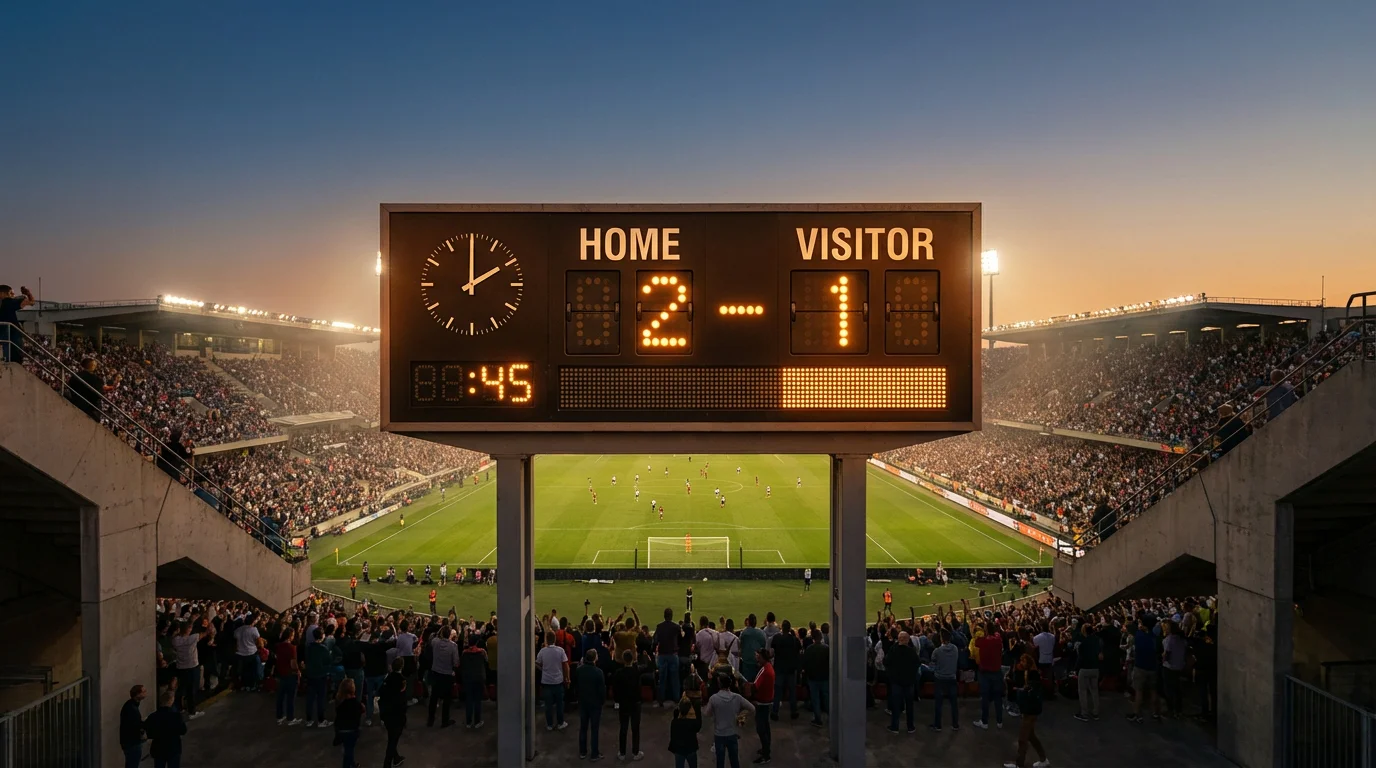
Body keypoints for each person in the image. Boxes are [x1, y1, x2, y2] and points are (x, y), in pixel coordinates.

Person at [704, 673, 755, 768]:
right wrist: (741, 716)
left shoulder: (714, 698)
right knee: (734, 760)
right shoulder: (737, 697)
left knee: (720, 761)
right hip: (732, 733)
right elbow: (752, 708)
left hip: (719, 734)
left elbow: (707, 713)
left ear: (719, 684)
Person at [1004, 669, 1050, 768]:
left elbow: (1021, 702)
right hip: (1033, 715)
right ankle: (1043, 759)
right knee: (1032, 737)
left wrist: (1018, 692)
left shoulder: (1029, 689)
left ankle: (1019, 764)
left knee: (1022, 740)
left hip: (1028, 715)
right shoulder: (1036, 687)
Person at [574, 649, 607, 760]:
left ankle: (582, 752)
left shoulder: (579, 670)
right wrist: (602, 701)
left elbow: (576, 686)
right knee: (594, 729)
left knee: (583, 727)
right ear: (594, 658)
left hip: (583, 702)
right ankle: (594, 753)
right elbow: (602, 690)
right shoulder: (598, 672)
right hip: (595, 704)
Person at [612, 650, 644, 760]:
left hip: (623, 703)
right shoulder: (636, 672)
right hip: (635, 703)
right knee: (635, 728)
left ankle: (622, 753)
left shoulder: (618, 673)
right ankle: (635, 752)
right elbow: (639, 688)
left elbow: (615, 690)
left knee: (623, 728)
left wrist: (617, 701)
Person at [142, 689, 186, 768]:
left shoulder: (153, 716)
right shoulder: (176, 716)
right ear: (171, 701)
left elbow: (148, 732)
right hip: (173, 748)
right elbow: (183, 730)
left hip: (158, 749)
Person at [973, 621, 1005, 730]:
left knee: (985, 698)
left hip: (985, 673)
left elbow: (975, 640)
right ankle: (999, 721)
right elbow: (996, 634)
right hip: (996, 672)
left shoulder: (982, 641)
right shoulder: (998, 639)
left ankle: (984, 722)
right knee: (997, 698)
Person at [535, 631, 570, 731]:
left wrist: (543, 668)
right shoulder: (560, 651)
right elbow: (565, 665)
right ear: (555, 639)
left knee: (548, 705)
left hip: (546, 681)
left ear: (546, 639)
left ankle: (549, 724)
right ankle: (560, 722)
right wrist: (567, 678)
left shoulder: (542, 651)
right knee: (559, 703)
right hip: (558, 681)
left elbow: (537, 663)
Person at [1129, 616, 1161, 723]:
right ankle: (1155, 713)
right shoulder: (1154, 636)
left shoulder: (1139, 634)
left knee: (1139, 691)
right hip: (1152, 666)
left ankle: (1137, 714)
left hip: (1140, 666)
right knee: (1153, 691)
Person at [886, 630, 918, 734]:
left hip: (896, 682)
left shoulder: (893, 650)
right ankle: (910, 726)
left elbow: (886, 662)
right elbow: (917, 664)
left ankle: (895, 727)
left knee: (896, 705)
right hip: (908, 682)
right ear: (908, 640)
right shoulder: (911, 651)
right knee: (909, 706)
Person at [169, 620, 204, 720]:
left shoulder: (175, 640)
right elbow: (204, 634)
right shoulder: (192, 638)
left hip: (181, 667)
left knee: (181, 688)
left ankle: (179, 708)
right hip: (192, 667)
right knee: (192, 689)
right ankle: (192, 711)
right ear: (188, 629)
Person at [378, 658, 409, 768]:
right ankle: (387, 764)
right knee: (393, 741)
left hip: (386, 713)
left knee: (392, 738)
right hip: (396, 715)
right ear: (402, 667)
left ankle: (396, 758)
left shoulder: (388, 678)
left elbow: (380, 692)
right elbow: (402, 700)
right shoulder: (402, 680)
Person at [427, 627, 460, 728]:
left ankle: (430, 720)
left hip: (436, 673)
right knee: (446, 699)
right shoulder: (453, 646)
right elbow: (456, 662)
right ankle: (444, 721)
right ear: (449, 634)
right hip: (446, 675)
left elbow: (434, 637)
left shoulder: (435, 642)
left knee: (434, 697)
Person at [748, 648, 775, 764]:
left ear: (762, 657)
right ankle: (766, 748)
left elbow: (755, 687)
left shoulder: (765, 670)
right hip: (767, 700)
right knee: (766, 726)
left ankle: (766, 755)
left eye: (757, 656)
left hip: (762, 702)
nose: (756, 658)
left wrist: (747, 688)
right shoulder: (768, 667)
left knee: (761, 728)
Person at [930, 629, 959, 731]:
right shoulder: (955, 648)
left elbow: (932, 664)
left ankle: (938, 725)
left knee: (938, 703)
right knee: (954, 703)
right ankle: (955, 724)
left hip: (940, 678)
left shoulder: (937, 651)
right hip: (952, 678)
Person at [770, 622, 800, 720]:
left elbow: (772, 652)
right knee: (792, 691)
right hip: (791, 669)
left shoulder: (777, 638)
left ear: (782, 628)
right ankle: (794, 711)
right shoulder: (795, 640)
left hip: (779, 668)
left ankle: (775, 712)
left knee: (778, 692)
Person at [654, 607, 684, 706]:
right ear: (671, 616)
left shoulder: (659, 626)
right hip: (672, 654)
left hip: (662, 655)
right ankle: (676, 699)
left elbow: (655, 641)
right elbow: (681, 639)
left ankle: (661, 699)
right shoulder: (676, 627)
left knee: (662, 678)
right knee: (675, 678)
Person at [304, 627, 333, 728]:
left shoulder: (308, 647)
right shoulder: (323, 648)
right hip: (321, 675)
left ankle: (308, 719)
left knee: (310, 698)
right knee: (321, 699)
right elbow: (328, 661)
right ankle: (321, 720)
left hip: (310, 675)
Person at [334, 678, 365, 768]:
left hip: (341, 730)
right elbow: (360, 712)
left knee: (348, 750)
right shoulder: (356, 704)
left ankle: (351, 764)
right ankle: (350, 765)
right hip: (352, 730)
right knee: (349, 751)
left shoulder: (339, 702)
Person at [1074, 623, 1102, 722]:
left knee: (1083, 691)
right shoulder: (1097, 641)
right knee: (1094, 690)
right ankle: (1096, 712)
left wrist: (1075, 669)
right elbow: (1100, 656)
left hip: (1084, 668)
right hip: (1095, 668)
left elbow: (1080, 658)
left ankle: (1084, 713)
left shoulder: (1082, 643)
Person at [460, 635, 489, 728]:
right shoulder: (482, 652)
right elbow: (486, 661)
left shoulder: (464, 652)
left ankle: (468, 722)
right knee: (477, 700)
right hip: (478, 678)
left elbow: (462, 664)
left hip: (468, 678)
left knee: (469, 700)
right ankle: (477, 721)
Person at [274, 627, 302, 725]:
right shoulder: (292, 648)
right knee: (290, 698)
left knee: (280, 697)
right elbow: (293, 663)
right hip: (290, 674)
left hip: (281, 673)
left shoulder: (278, 646)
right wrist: (298, 671)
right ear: (290, 636)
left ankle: (279, 716)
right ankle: (290, 718)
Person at [0, 285, 34, 363]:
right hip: (14, 333)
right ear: (3, 293)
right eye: (11, 293)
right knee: (15, 357)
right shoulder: (9, 302)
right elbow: (32, 302)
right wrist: (28, 294)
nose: (13, 295)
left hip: (4, 333)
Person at [802, 628, 829, 727]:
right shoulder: (826, 648)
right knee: (826, 697)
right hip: (824, 677)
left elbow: (805, 664)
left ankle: (818, 719)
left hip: (813, 678)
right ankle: (831, 716)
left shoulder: (809, 649)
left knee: (815, 699)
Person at [668, 697, 703, 768]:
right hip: (691, 749)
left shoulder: (675, 722)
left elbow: (673, 736)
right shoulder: (692, 722)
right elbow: (698, 726)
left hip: (679, 750)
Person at [120, 684, 147, 768]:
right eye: (144, 691)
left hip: (130, 741)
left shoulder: (131, 705)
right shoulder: (131, 708)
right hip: (132, 743)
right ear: (138, 694)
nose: (146, 693)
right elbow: (135, 725)